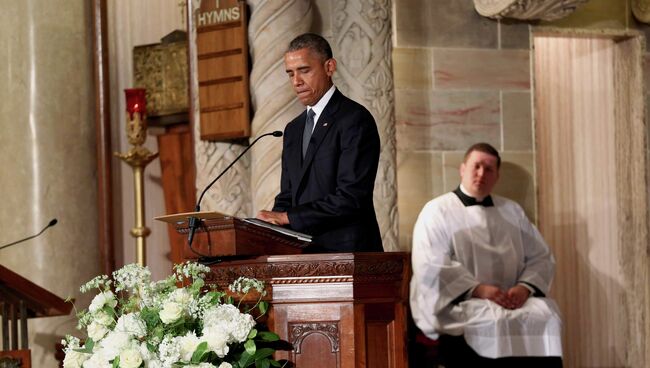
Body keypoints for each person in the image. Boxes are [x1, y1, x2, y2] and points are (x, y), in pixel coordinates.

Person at [409, 143, 563, 367]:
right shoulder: (437, 210)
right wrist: (479, 290)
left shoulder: (512, 211)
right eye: (476, 166)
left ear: (497, 176)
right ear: (462, 169)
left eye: (489, 169)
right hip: (463, 301)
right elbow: (430, 264)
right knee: (488, 323)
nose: (481, 173)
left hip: (511, 300)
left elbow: (541, 256)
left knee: (547, 316)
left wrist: (524, 288)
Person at [256, 33, 382, 252]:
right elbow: (288, 194)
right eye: (290, 73)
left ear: (329, 67)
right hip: (304, 254)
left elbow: (351, 197)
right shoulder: (293, 129)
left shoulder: (354, 119)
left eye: (304, 70)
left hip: (348, 254)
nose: (296, 81)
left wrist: (287, 217)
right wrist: (271, 225)